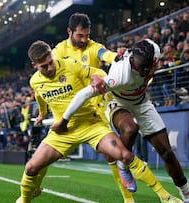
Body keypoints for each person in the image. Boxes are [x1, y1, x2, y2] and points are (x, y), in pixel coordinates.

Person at [16, 40, 182, 203]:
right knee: (31, 167)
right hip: (63, 131)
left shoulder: (70, 65)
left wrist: (96, 77)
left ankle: (164, 196)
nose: (50, 68)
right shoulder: (34, 81)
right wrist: (42, 113)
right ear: (34, 66)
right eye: (44, 66)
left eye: (50, 62)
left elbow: (101, 74)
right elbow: (39, 95)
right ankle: (25, 199)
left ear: (52, 55)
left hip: (91, 124)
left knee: (124, 155)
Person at [52, 12, 178, 203]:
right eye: (80, 35)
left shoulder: (94, 47)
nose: (85, 39)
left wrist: (118, 56)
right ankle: (27, 192)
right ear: (69, 31)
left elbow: (107, 55)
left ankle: (136, 198)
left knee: (114, 156)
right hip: (72, 108)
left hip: (96, 109)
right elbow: (48, 77)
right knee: (42, 159)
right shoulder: (58, 51)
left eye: (87, 35)